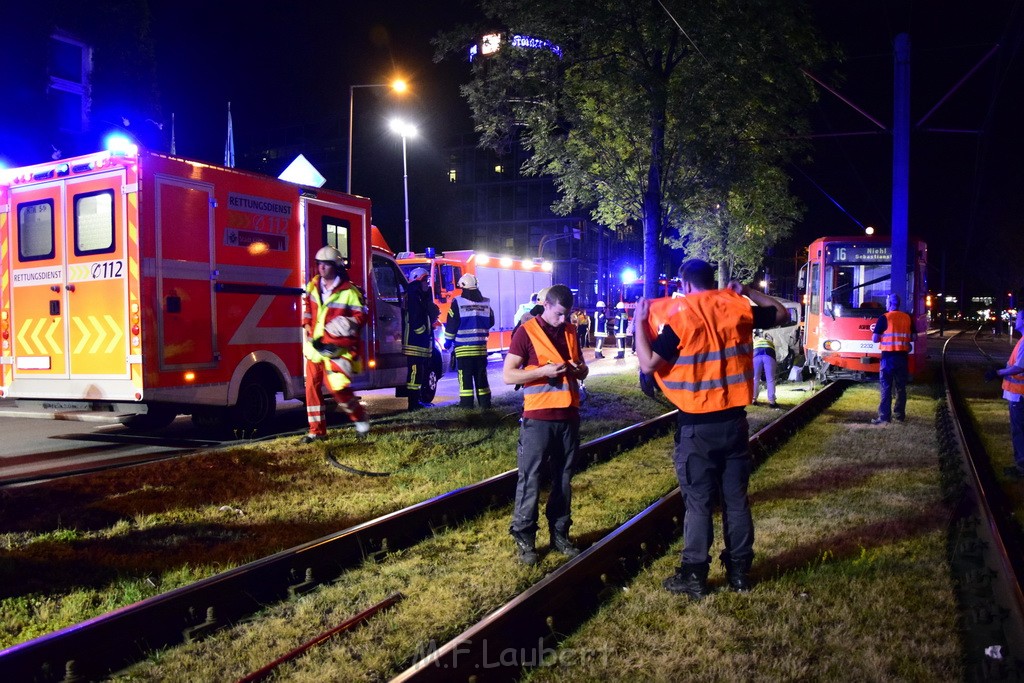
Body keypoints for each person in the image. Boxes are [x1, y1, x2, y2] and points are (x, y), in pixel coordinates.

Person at [634, 258, 788, 599]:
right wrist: (746, 291)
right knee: (736, 502)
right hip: (734, 424)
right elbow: (781, 313)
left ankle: (694, 575)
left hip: (697, 428)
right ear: (711, 280)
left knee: (699, 504)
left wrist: (637, 323)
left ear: (685, 284)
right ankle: (739, 574)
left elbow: (648, 363)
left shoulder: (682, 316)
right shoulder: (736, 309)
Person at [503, 284, 589, 565]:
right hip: (538, 419)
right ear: (546, 306)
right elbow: (509, 375)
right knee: (531, 479)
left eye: (568, 315)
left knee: (564, 480)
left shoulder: (571, 331)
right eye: (560, 314)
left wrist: (580, 370)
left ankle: (560, 533)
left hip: (568, 418)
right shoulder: (525, 332)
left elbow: (583, 367)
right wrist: (543, 372)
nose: (564, 320)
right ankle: (525, 538)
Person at [300, 246, 370, 442]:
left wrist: (345, 325)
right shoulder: (313, 286)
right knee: (311, 389)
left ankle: (360, 417)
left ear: (336, 266)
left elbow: (361, 316)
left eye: (326, 264)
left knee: (338, 389)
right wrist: (306, 324)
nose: (321, 268)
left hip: (337, 349)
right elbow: (307, 306)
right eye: (319, 264)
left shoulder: (349, 291)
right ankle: (316, 432)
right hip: (315, 349)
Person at [444, 273, 495, 408]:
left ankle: (466, 404)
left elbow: (452, 323)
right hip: (480, 348)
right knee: (481, 377)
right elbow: (491, 321)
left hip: (463, 348)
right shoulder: (485, 302)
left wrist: (448, 341)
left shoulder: (458, 302)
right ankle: (485, 403)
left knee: (465, 378)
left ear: (463, 287)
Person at [986, 310, 1024, 477]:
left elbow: (1019, 367)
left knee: (1019, 431)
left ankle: (1021, 467)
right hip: (1018, 394)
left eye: (1019, 318)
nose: (1016, 320)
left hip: (1019, 395)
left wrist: (999, 373)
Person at [870, 293, 916, 424]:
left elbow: (875, 339)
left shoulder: (884, 318)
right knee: (901, 387)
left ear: (889, 303)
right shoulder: (907, 318)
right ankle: (900, 415)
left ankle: (884, 417)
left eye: (886, 301)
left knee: (886, 387)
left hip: (888, 358)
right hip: (902, 357)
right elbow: (914, 337)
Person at [403, 267, 440, 411]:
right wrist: (423, 333)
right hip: (415, 342)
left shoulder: (419, 294)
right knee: (414, 373)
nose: (427, 283)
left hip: (420, 342)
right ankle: (412, 404)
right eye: (425, 280)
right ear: (418, 280)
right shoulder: (413, 294)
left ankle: (416, 401)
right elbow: (415, 318)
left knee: (418, 373)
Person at [752, 329, 778, 407]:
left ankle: (753, 399)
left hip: (756, 355)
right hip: (769, 354)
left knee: (756, 378)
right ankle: (772, 402)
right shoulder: (771, 343)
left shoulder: (755, 342)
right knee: (770, 379)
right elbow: (774, 357)